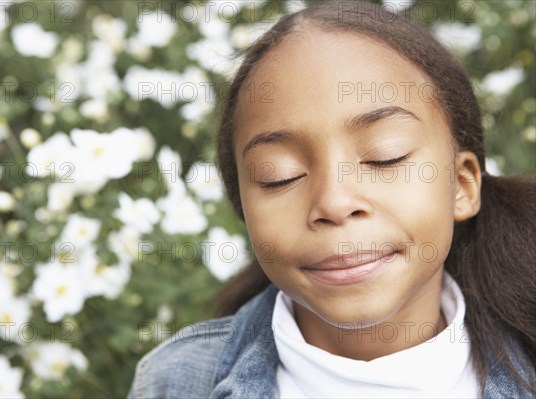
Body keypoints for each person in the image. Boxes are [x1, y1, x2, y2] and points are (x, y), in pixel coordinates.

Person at [128, 1, 535, 397]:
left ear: (462, 185)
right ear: (244, 209)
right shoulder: (174, 382)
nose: (335, 203)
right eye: (279, 176)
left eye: (384, 156)